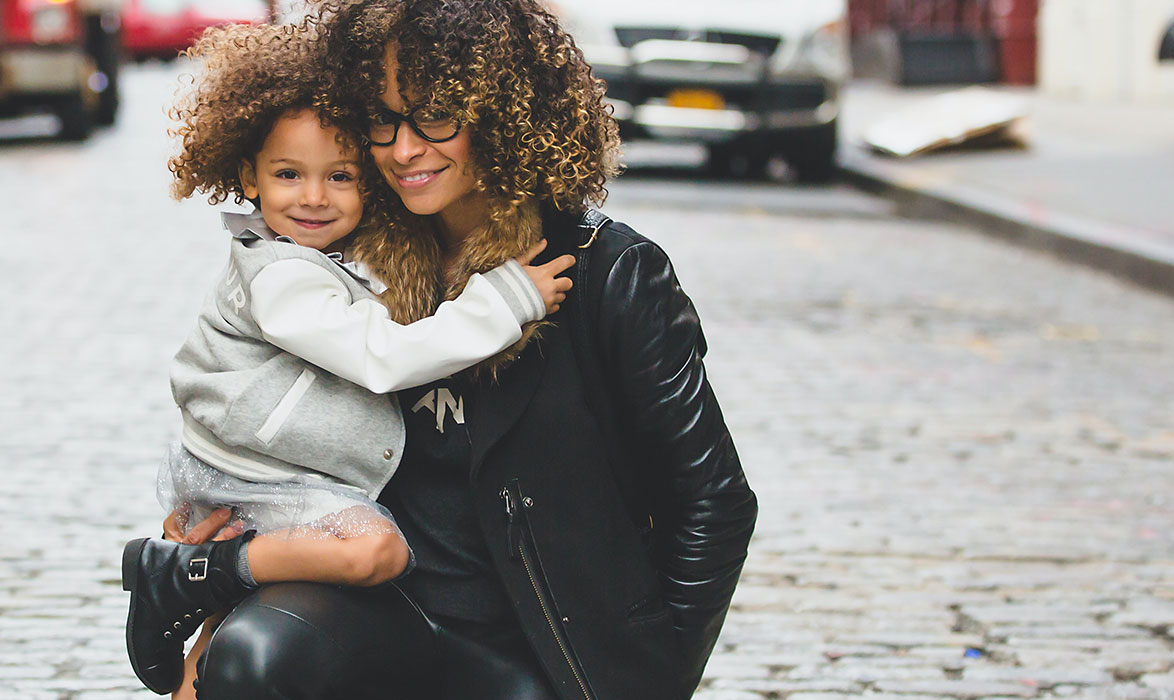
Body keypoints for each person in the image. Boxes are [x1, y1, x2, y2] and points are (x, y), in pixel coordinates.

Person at [169, 1, 760, 698]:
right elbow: (257, 404)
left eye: (436, 115)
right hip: (378, 609)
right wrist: (222, 535)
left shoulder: (608, 273)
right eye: (383, 120)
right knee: (252, 658)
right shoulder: (347, 256)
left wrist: (648, 679)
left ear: (502, 112)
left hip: (535, 641)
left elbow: (713, 502)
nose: (404, 149)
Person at [122, 23, 577, 698]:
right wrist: (504, 298)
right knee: (376, 553)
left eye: (340, 176)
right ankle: (184, 576)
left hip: (278, 474)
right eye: (288, 175)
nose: (313, 197)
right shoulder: (279, 274)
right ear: (246, 173)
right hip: (263, 477)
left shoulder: (335, 254)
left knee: (226, 640)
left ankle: (198, 592)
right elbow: (380, 355)